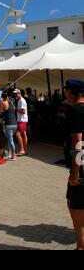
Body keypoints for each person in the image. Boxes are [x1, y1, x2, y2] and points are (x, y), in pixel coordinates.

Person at [64, 79, 84, 250]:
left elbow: (78, 143)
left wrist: (75, 174)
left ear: (71, 92)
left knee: (76, 205)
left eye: (66, 91)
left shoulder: (76, 111)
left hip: (82, 165)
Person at [0, 93, 17, 160]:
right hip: (14, 124)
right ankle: (10, 154)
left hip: (9, 124)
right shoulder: (11, 102)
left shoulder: (4, 103)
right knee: (9, 139)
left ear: (2, 98)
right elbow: (9, 112)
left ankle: (14, 156)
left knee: (10, 140)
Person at [13, 89, 28, 156]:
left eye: (16, 94)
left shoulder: (21, 101)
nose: (15, 95)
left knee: (17, 134)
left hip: (21, 120)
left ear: (19, 93)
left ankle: (22, 150)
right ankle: (25, 149)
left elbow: (23, 111)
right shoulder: (21, 100)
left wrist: (15, 109)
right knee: (24, 134)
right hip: (23, 120)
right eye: (14, 94)